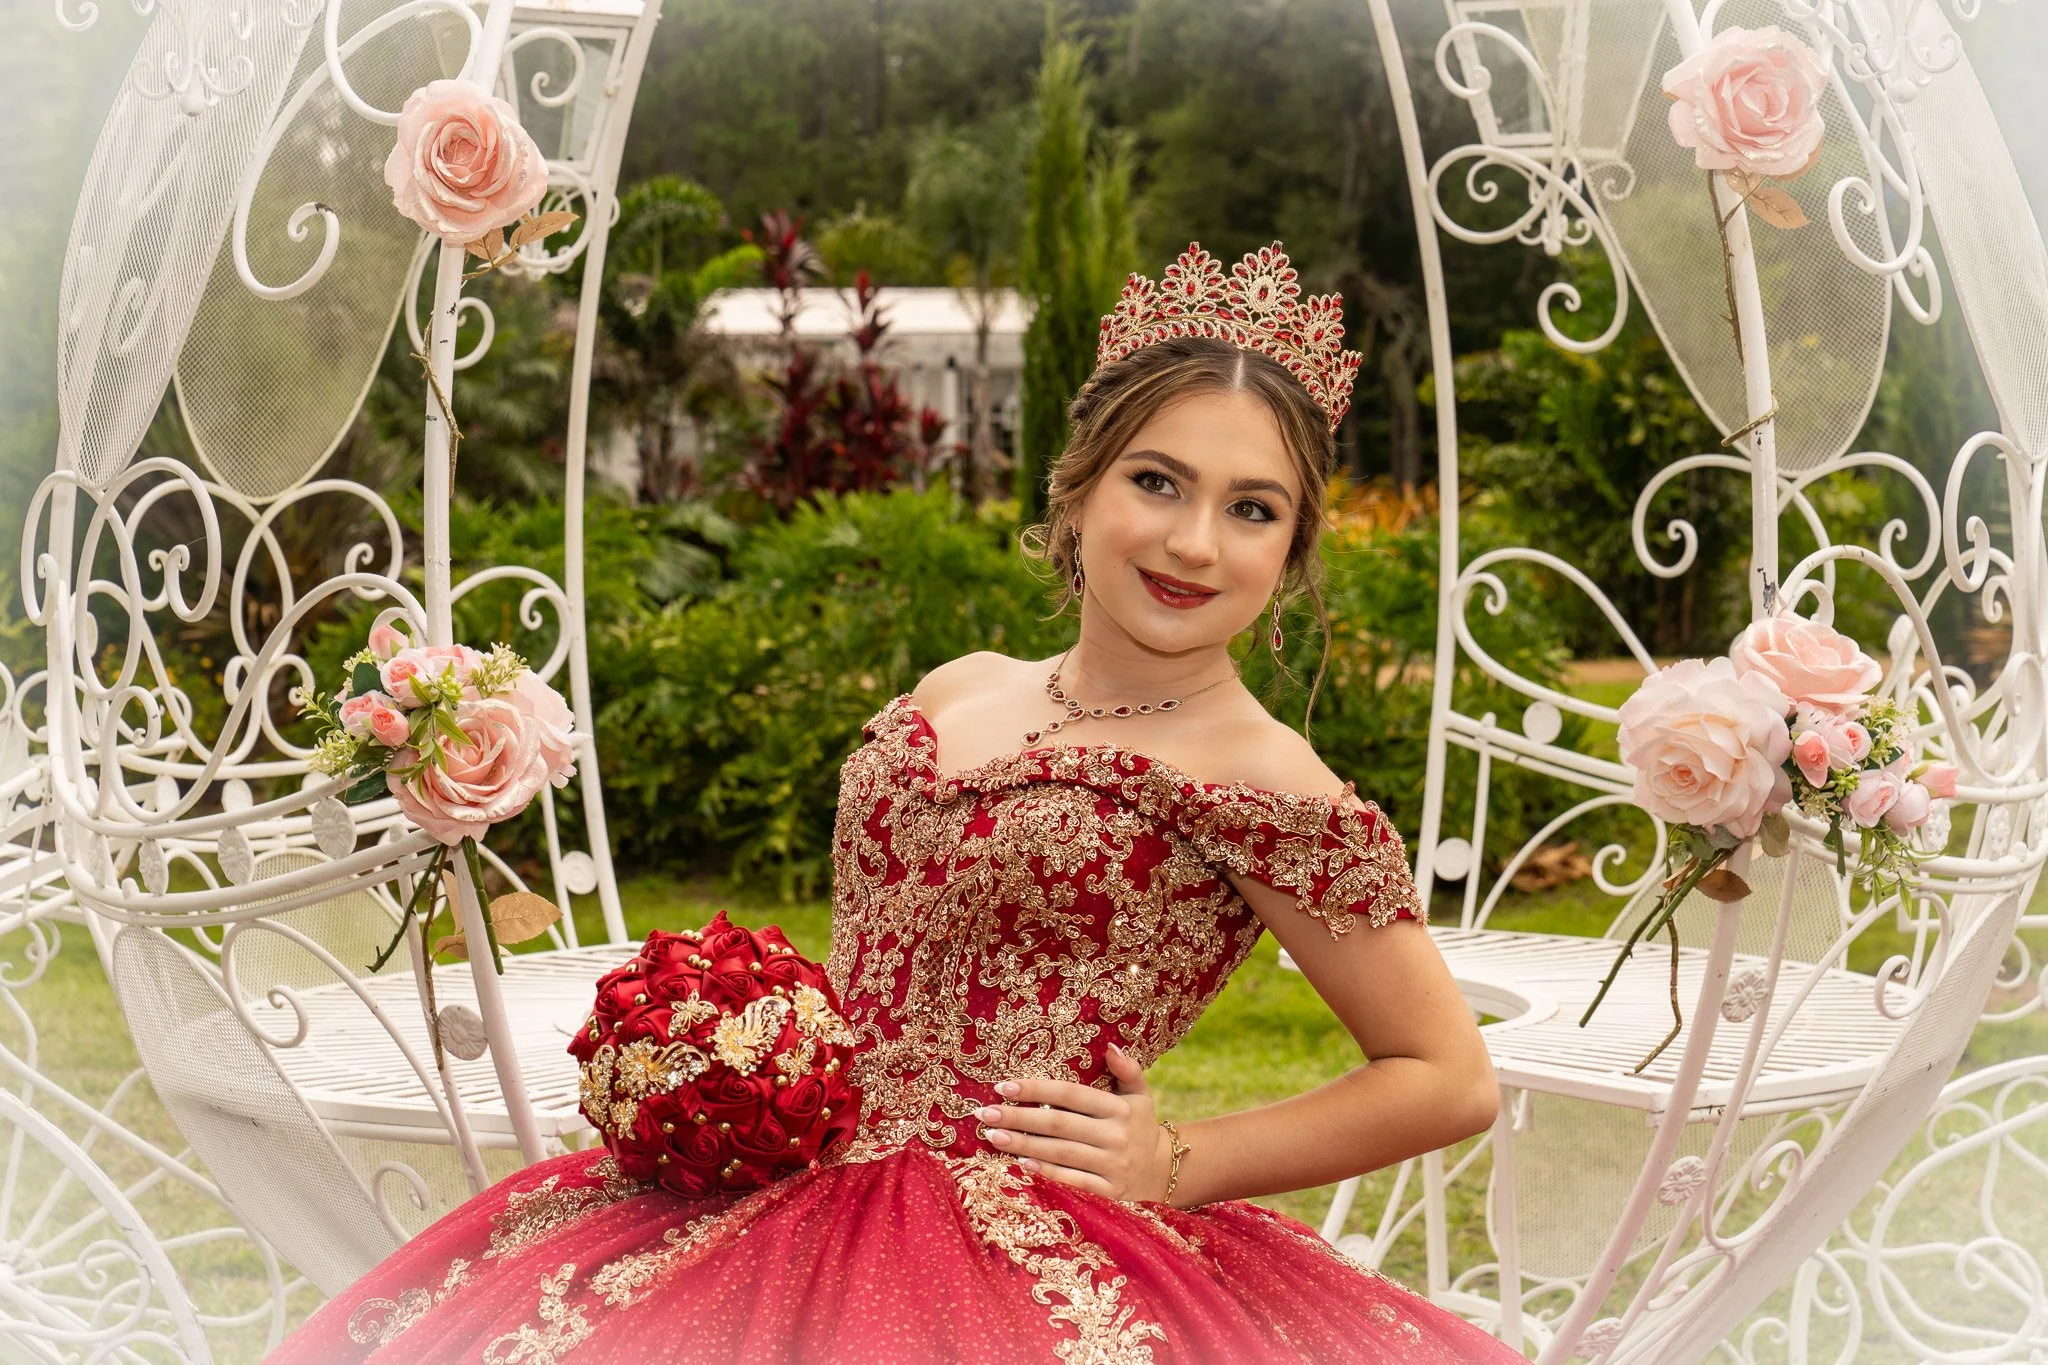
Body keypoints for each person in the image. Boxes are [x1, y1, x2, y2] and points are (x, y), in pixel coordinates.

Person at [268, 243, 1522, 1364]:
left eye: (1251, 511)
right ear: (1078, 487)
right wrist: (742, 1050)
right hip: (776, 1182)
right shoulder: (963, 687)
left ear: (1291, 549)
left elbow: (1443, 1074)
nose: (1194, 542)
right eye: (1157, 482)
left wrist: (1182, 1160)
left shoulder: (1264, 777)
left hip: (1012, 1245)